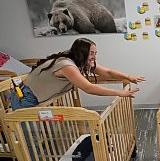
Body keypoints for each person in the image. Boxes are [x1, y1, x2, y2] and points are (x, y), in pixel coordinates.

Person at [11, 37, 145, 110]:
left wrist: (128, 77)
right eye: (91, 53)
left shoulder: (78, 61)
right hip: (26, 98)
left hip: (36, 96)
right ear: (82, 53)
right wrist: (119, 93)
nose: (94, 56)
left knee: (40, 136)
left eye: (95, 53)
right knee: (30, 137)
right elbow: (89, 88)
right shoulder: (67, 65)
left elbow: (107, 72)